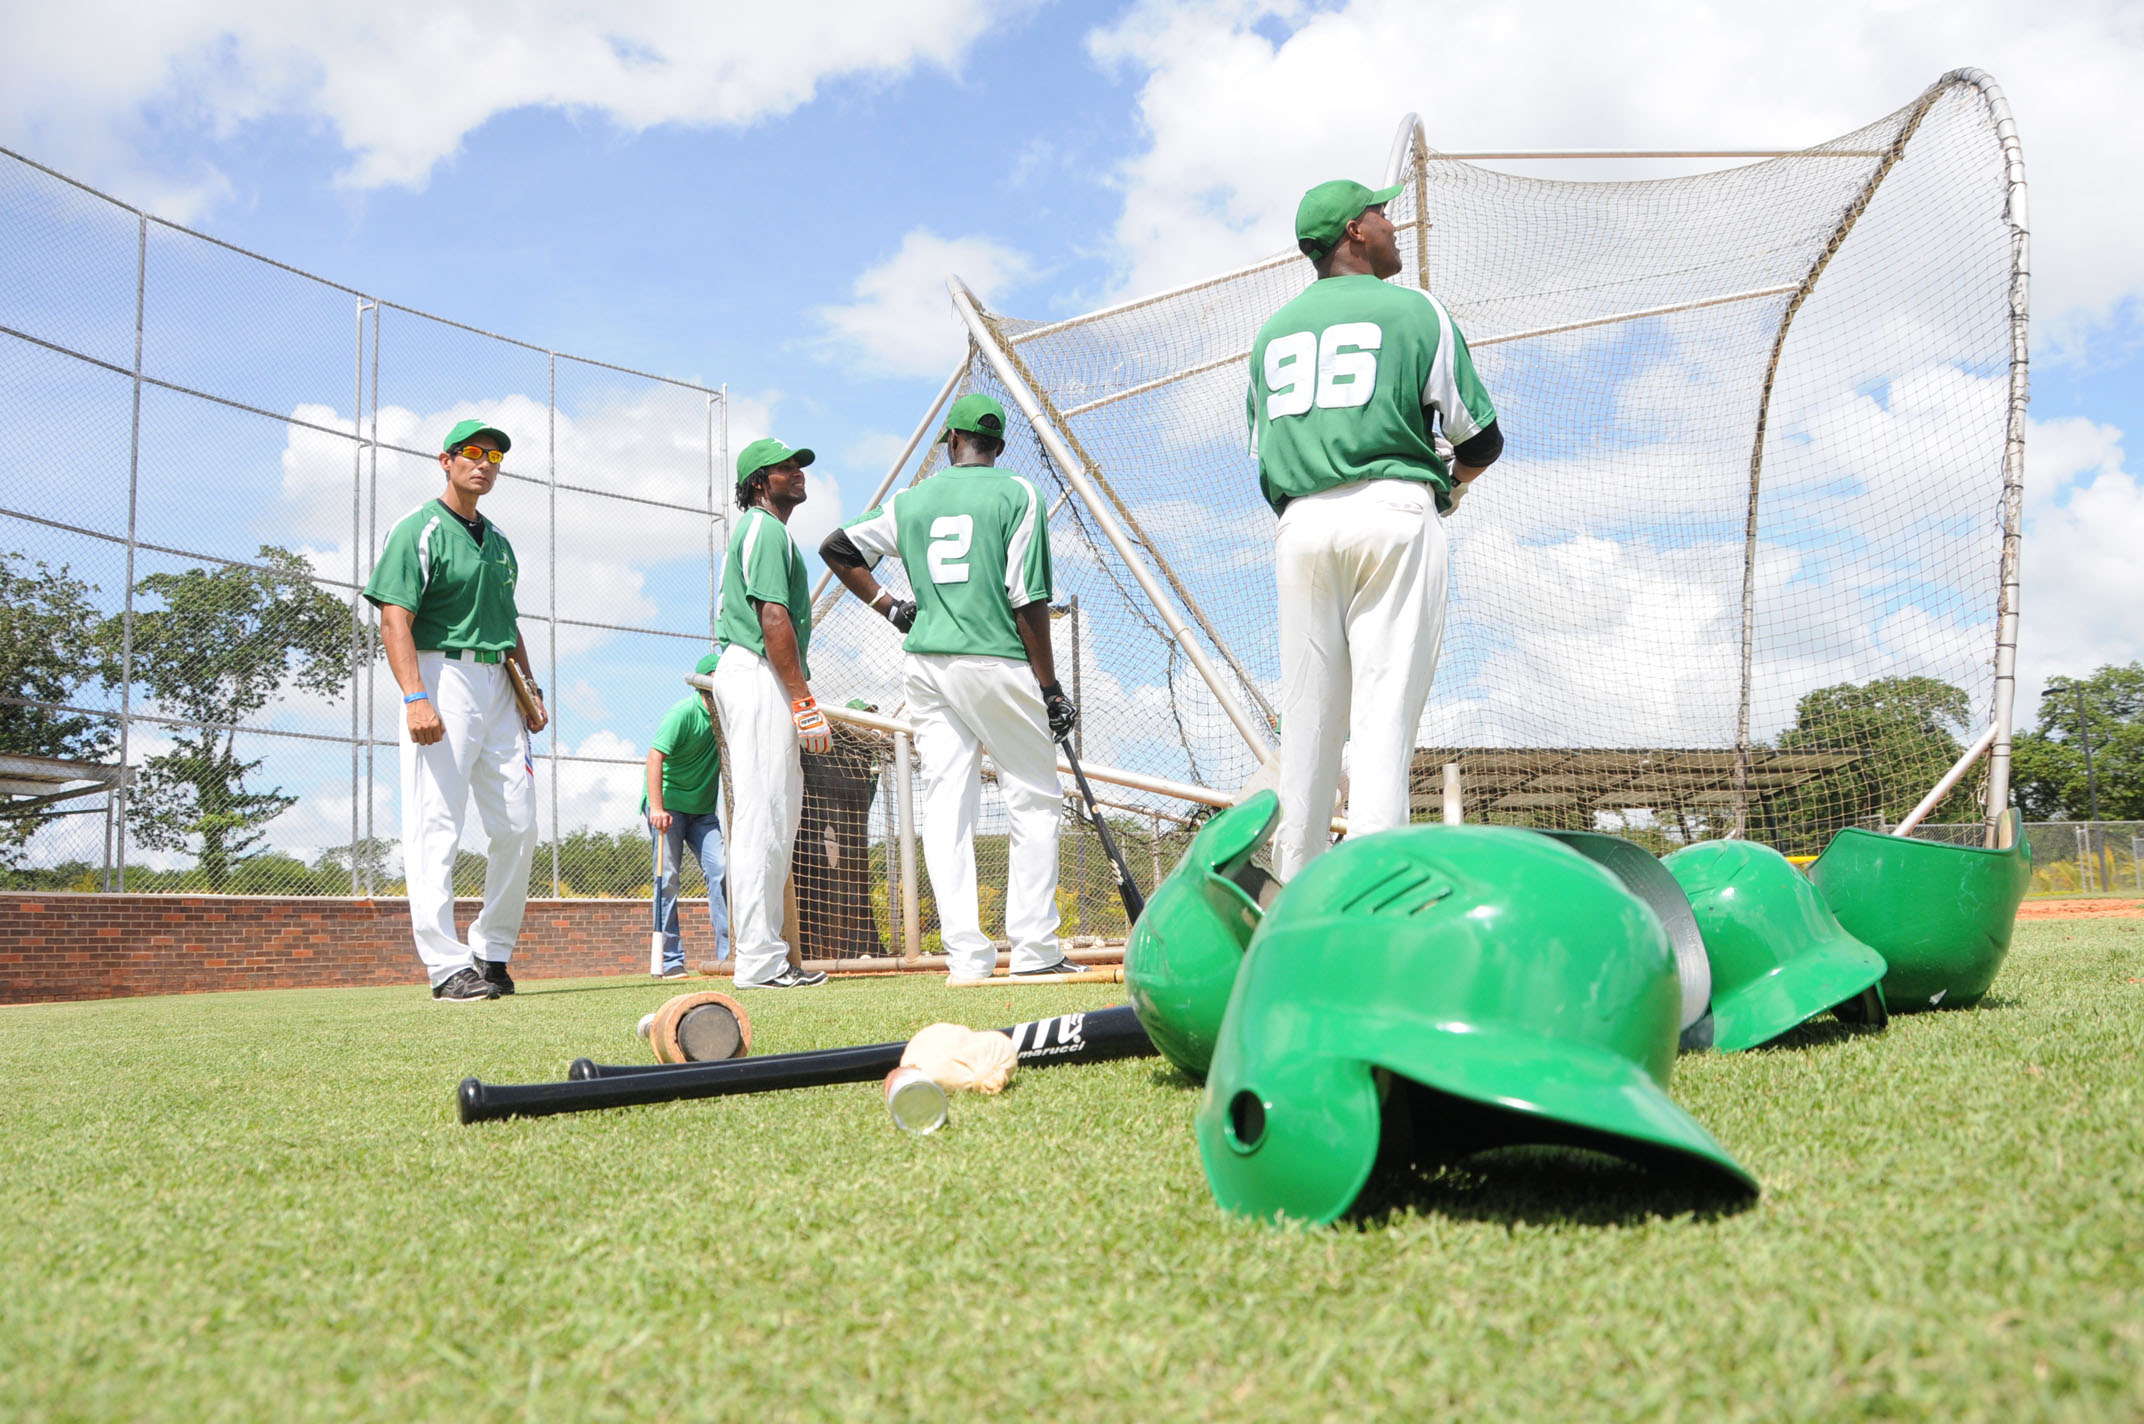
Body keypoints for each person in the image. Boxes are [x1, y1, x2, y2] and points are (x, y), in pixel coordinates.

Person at [1247, 178, 1504, 878]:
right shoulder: (1414, 308)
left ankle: (1290, 900)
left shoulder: (1271, 333)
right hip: (1393, 511)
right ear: (1354, 232)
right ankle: (1368, 903)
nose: (1393, 224)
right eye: (1382, 214)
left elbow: (1263, 455)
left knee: (1307, 730)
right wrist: (1447, 492)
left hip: (1300, 524)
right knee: (1382, 725)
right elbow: (1480, 441)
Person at [820, 393, 1080, 982]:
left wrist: (890, 606)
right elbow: (1027, 597)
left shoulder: (912, 500)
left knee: (946, 808)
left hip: (929, 667)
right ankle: (1035, 950)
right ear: (998, 447)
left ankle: (966, 957)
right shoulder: (1019, 493)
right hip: (999, 662)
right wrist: (1051, 687)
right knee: (1034, 801)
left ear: (951, 443)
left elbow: (836, 546)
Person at [363, 418, 548, 1002]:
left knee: (519, 825)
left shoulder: (499, 542)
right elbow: (395, 616)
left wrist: (531, 687)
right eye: (472, 452)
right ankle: (445, 966)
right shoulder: (417, 528)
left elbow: (509, 620)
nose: (484, 462)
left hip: (498, 681)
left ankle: (490, 952)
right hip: (440, 673)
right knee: (437, 824)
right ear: (445, 460)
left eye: (494, 455)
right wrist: (415, 695)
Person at [712, 437, 830, 990]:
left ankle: (769, 956)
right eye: (786, 469)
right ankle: (758, 960)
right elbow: (773, 617)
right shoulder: (762, 528)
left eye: (799, 467)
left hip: (764, 674)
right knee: (761, 818)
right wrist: (803, 700)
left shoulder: (772, 530)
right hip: (757, 670)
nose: (798, 474)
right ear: (761, 481)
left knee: (778, 817)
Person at [644, 652, 730, 978]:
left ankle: (727, 957)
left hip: (703, 813)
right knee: (667, 879)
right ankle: (670, 961)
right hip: (668, 808)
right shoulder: (682, 714)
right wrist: (656, 807)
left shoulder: (728, 718)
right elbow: (655, 758)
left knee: (722, 871)